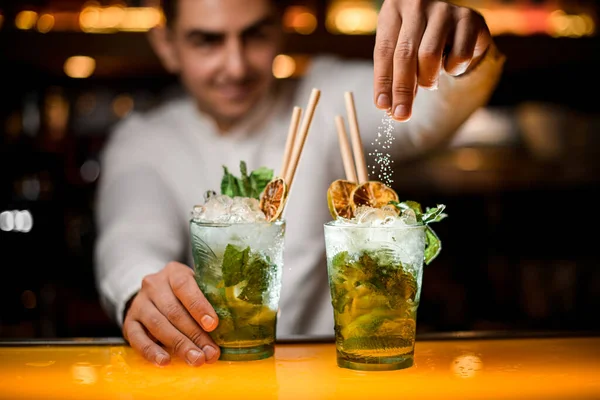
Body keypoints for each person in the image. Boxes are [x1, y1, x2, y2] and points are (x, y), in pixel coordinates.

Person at [94, 0, 505, 367]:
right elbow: (129, 236)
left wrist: (461, 48)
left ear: (281, 29)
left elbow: (435, 109)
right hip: (223, 375)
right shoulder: (143, 141)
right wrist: (141, 290)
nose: (235, 66)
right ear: (166, 44)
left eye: (254, 35)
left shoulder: (324, 92)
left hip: (342, 374)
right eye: (207, 41)